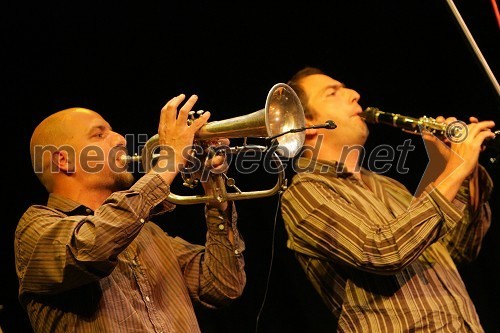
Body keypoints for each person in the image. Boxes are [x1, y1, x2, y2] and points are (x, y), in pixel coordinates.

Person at [280, 67, 495, 332]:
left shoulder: (388, 185)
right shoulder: (304, 192)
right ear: (308, 125)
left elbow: (456, 249)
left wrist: (463, 169)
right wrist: (454, 170)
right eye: (332, 93)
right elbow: (383, 250)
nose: (354, 95)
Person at [15, 94, 246, 332]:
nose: (121, 139)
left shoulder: (149, 234)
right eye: (99, 134)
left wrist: (214, 188)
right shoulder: (34, 229)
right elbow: (92, 246)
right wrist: (170, 161)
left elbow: (223, 286)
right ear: (64, 161)